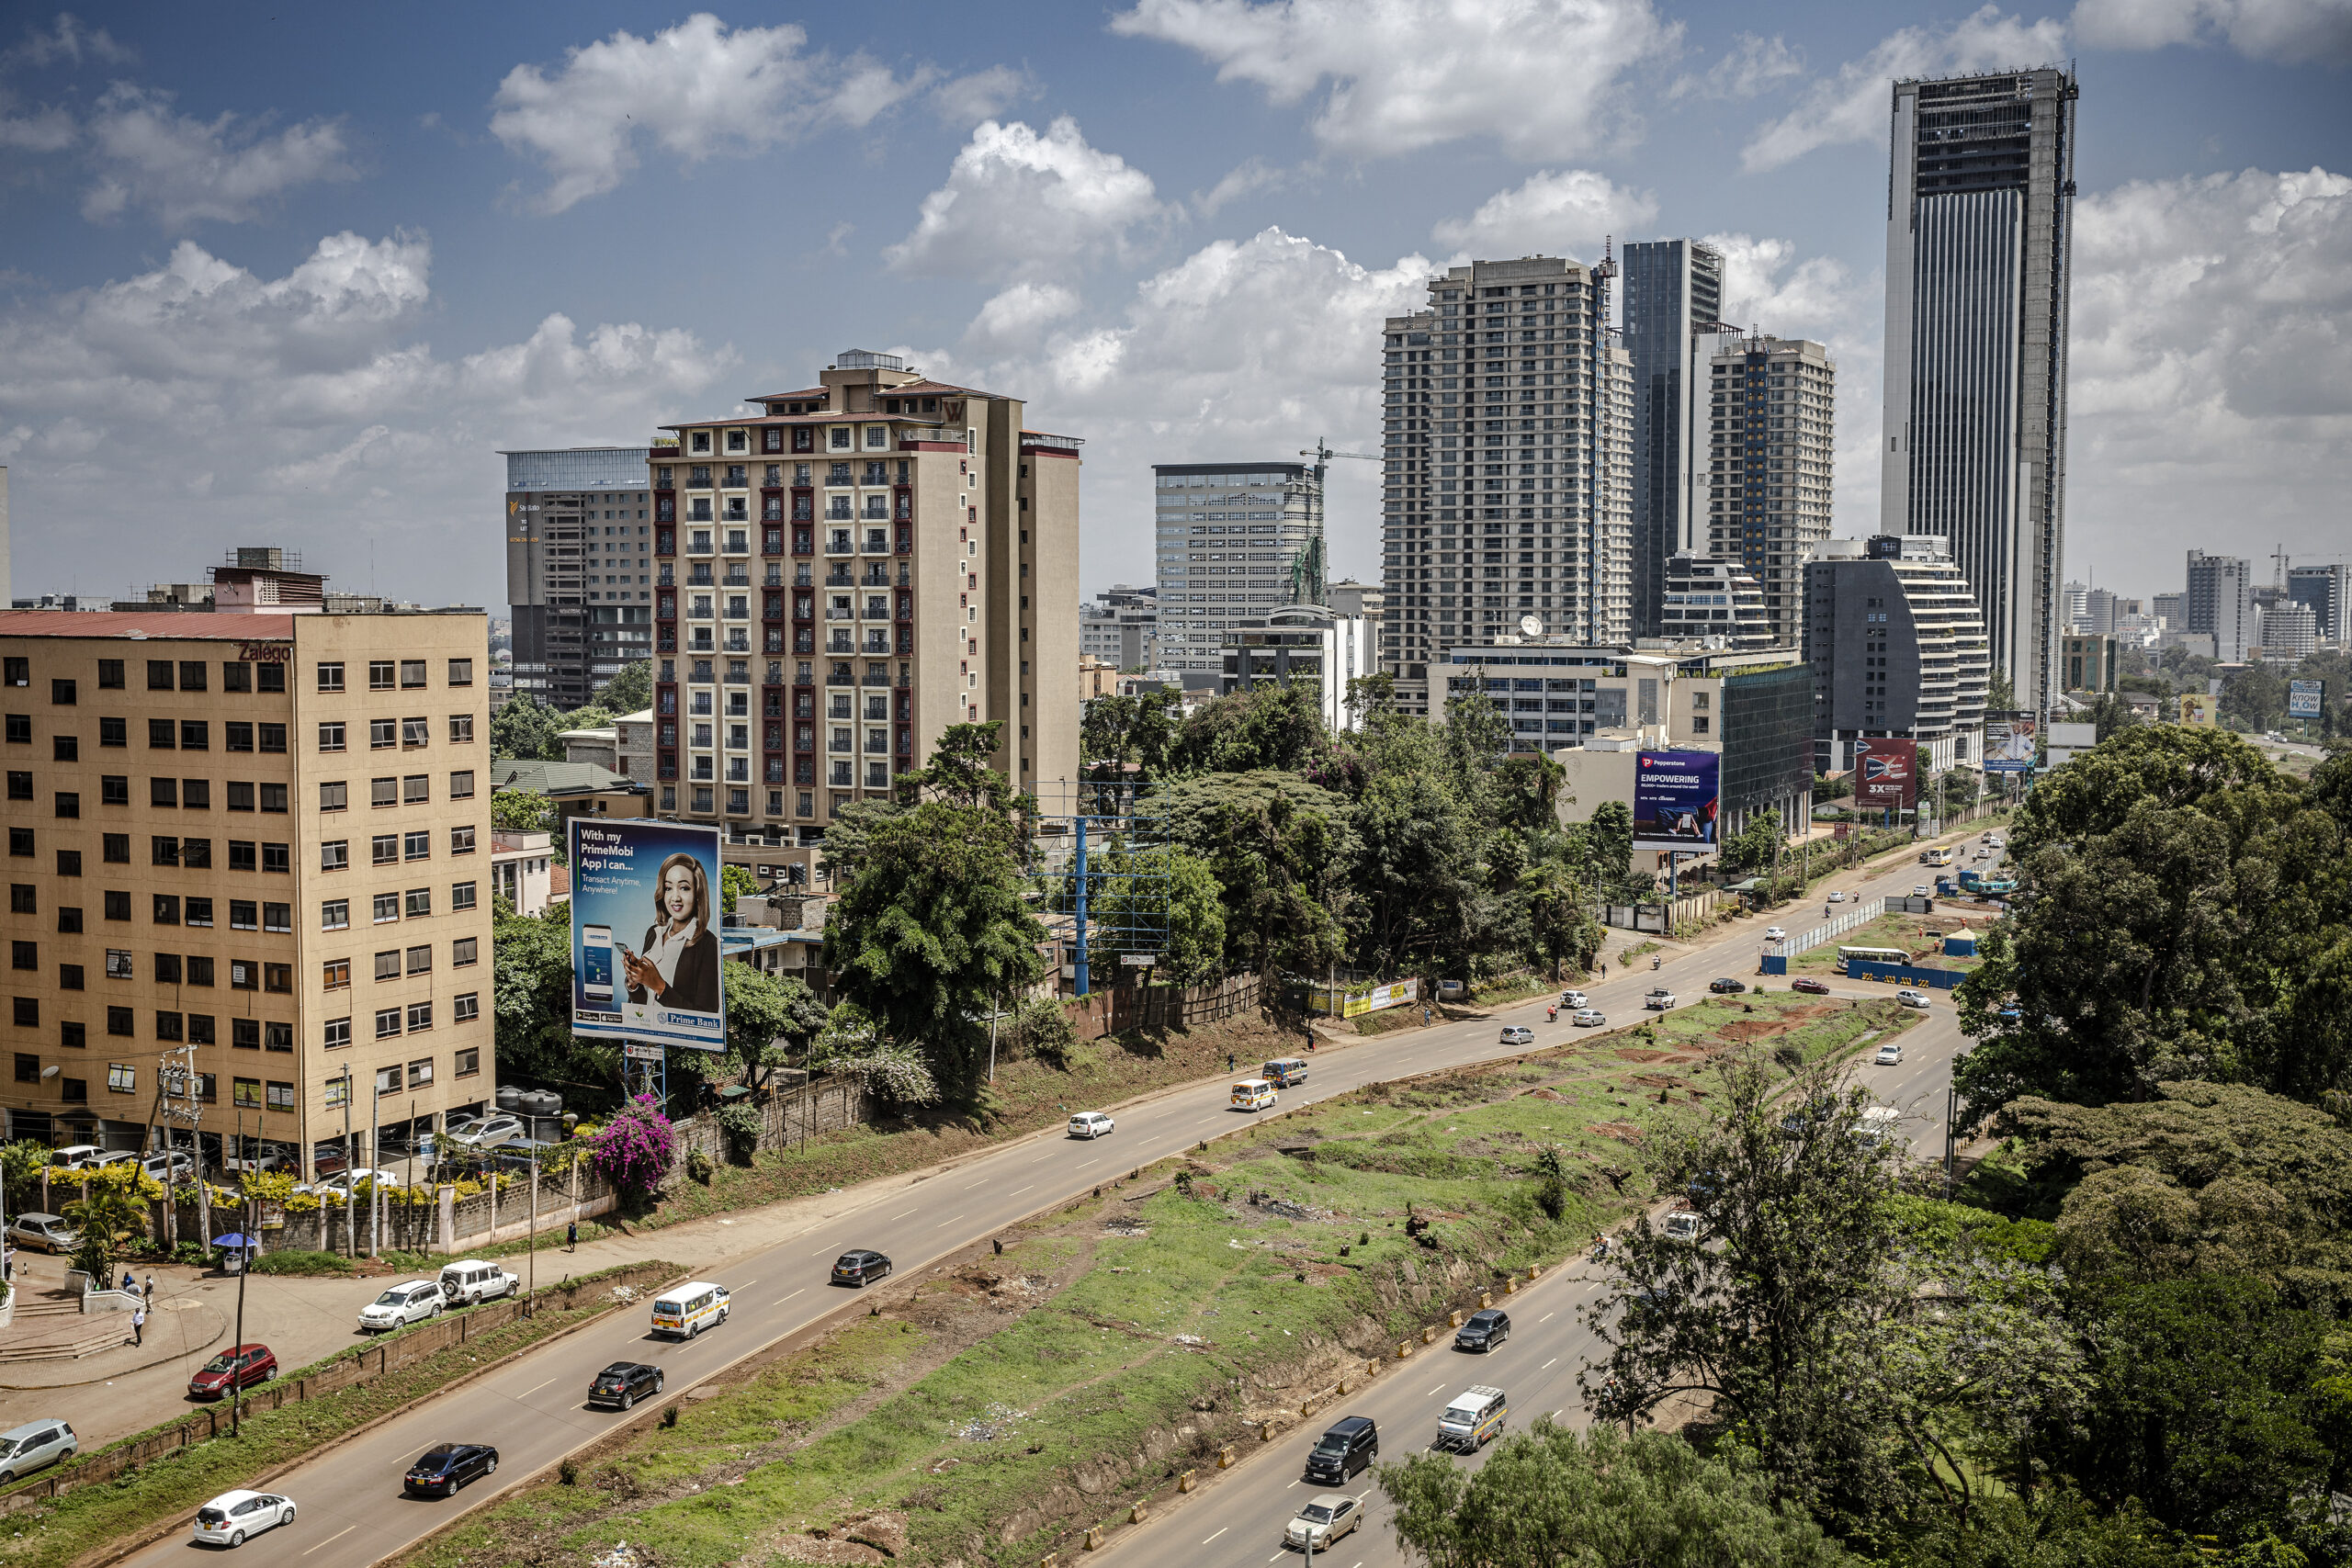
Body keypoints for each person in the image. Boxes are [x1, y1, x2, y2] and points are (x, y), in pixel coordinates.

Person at [621, 853, 722, 1015]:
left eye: (684, 888)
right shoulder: (654, 933)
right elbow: (644, 1002)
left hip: (678, 1039)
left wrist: (660, 986)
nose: (675, 897)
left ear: (698, 893)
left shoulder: (708, 945)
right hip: (647, 1034)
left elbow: (707, 1016)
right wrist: (634, 983)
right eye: (668, 888)